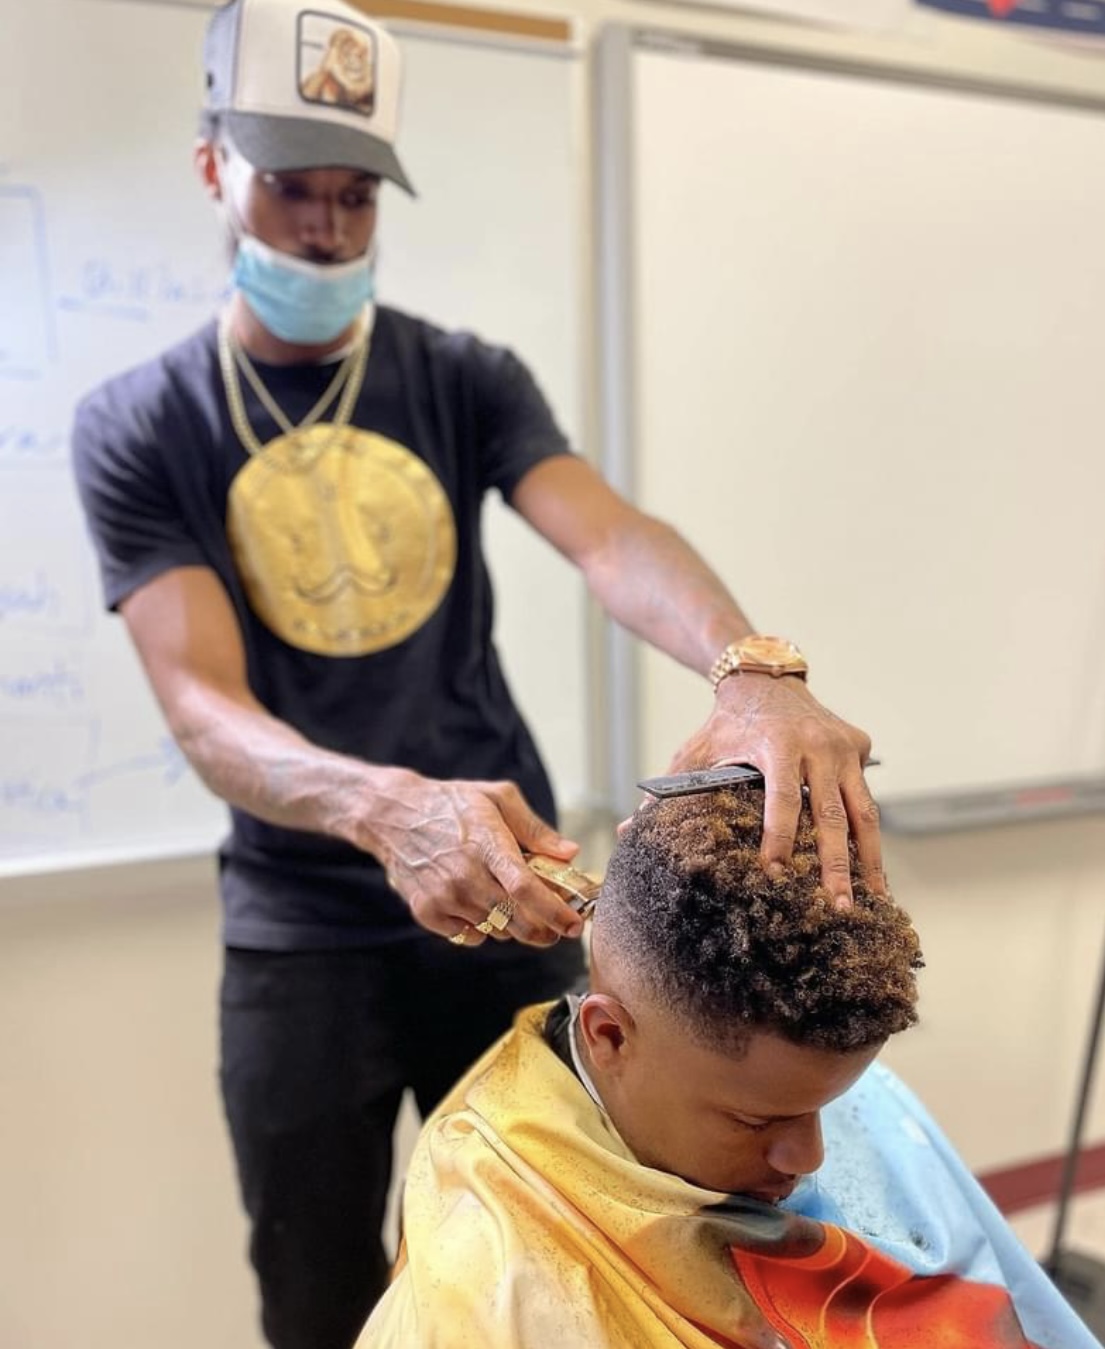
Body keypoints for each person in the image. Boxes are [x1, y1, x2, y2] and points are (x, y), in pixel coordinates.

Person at [70, 2, 884, 1346]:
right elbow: (204, 710)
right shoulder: (143, 424)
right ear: (213, 169)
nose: (324, 230)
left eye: (352, 197)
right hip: (301, 930)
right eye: (290, 190)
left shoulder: (458, 378)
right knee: (320, 1285)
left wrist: (749, 670)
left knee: (575, 1251)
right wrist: (382, 808)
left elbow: (611, 537)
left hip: (506, 901)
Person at [358, 789, 1103, 1349]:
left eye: (827, 1105)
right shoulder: (484, 1281)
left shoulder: (790, 1071)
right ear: (609, 1035)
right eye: (757, 1122)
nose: (810, 1156)